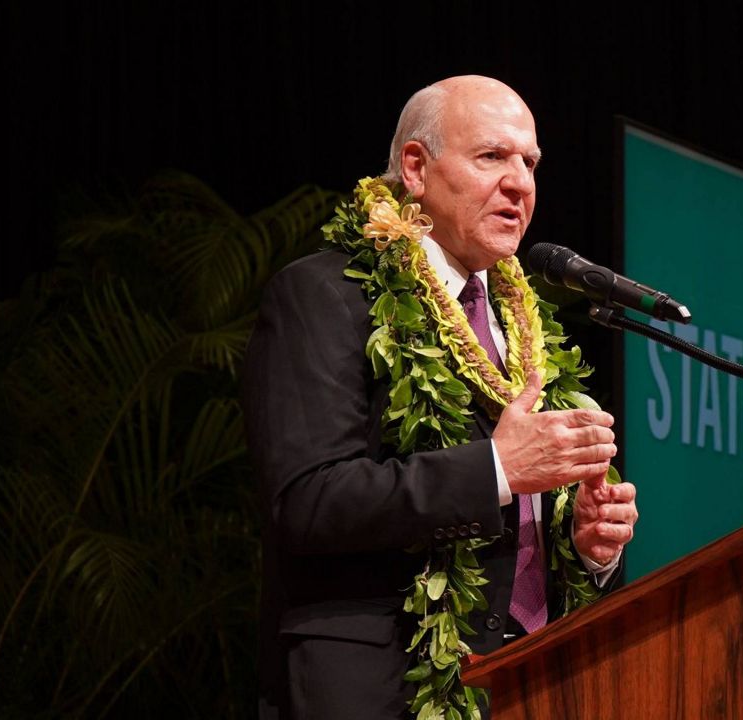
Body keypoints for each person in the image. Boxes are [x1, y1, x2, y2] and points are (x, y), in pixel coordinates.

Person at [244, 75, 638, 720]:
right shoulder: (326, 295)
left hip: (534, 683)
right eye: (492, 156)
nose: (520, 183)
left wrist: (584, 544)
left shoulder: (525, 327)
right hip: (383, 689)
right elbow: (308, 501)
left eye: (530, 162)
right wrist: (497, 469)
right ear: (416, 168)